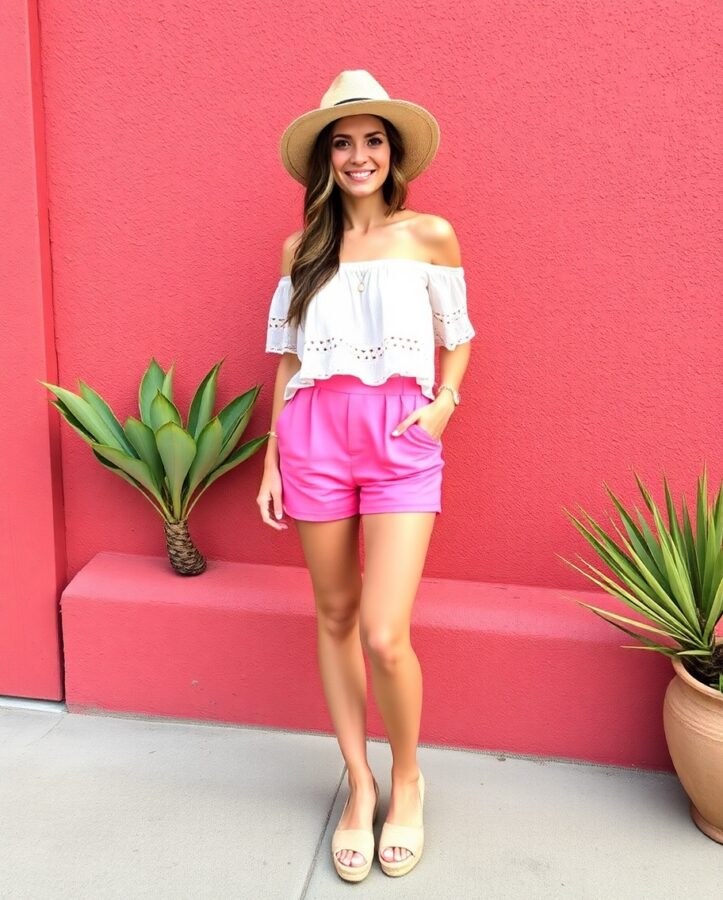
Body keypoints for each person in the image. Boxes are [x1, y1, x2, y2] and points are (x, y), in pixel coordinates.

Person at [256, 70, 475, 882]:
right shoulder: (301, 250)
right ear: (324, 159)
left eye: (372, 140)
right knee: (335, 614)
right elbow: (285, 360)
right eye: (342, 143)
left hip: (399, 438)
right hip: (312, 436)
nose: (358, 155)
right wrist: (272, 457)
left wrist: (444, 403)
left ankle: (408, 779)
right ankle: (357, 784)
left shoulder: (430, 235)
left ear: (392, 153)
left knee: (386, 633)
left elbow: (459, 334)